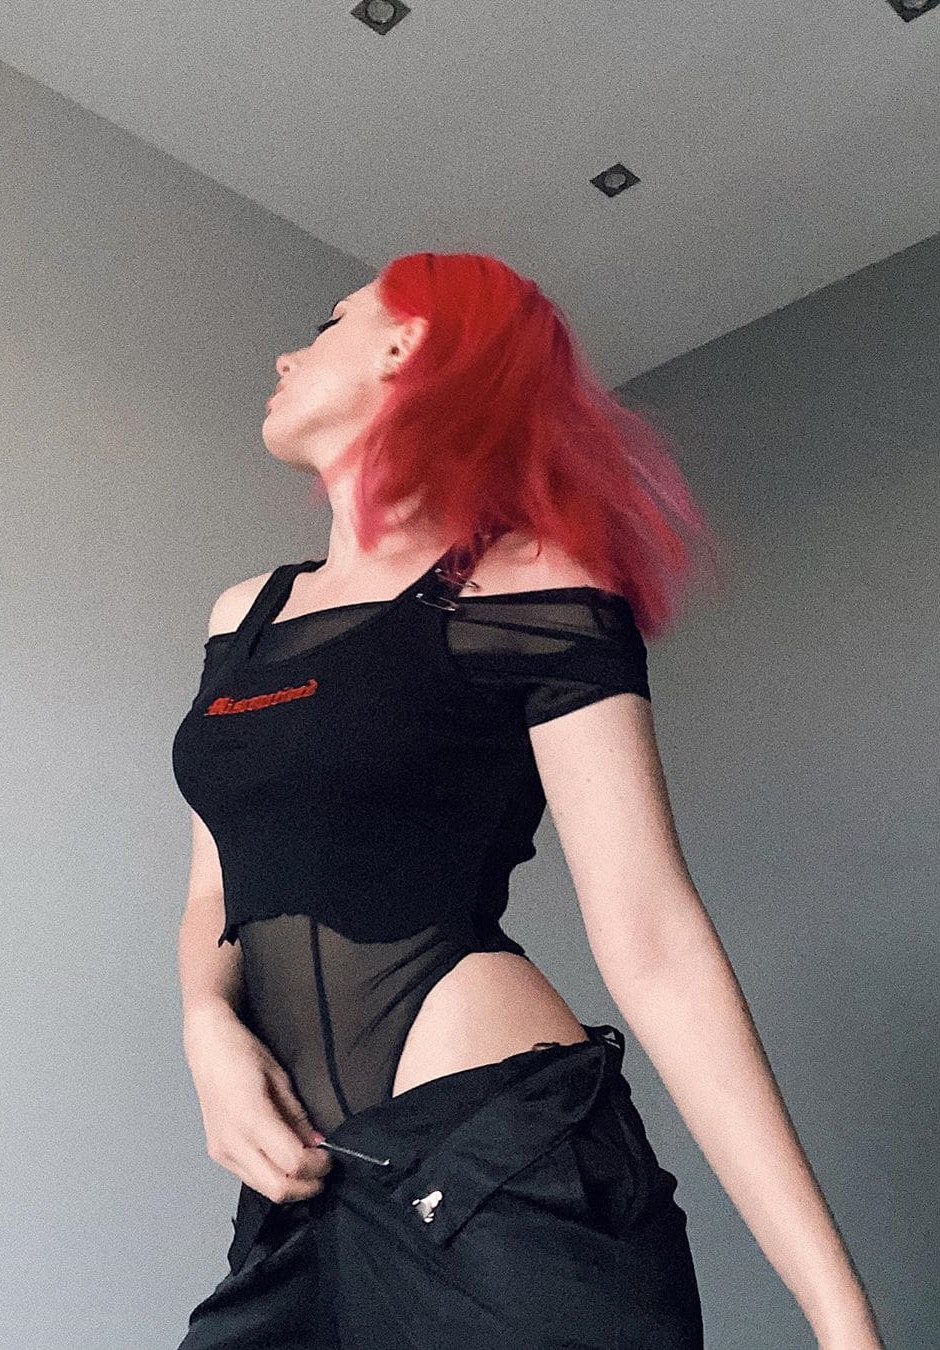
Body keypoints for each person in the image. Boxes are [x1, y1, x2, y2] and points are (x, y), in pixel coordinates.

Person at [170, 253, 883, 1348]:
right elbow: (216, 890)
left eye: (328, 323)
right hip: (298, 1196)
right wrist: (206, 1024)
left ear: (406, 344)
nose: (285, 354)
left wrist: (839, 1316)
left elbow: (651, 935)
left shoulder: (530, 584)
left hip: (492, 1164)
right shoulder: (243, 616)